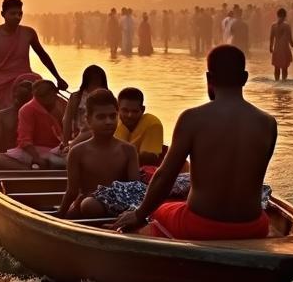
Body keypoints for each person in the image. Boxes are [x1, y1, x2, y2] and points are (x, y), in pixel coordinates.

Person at [113, 45, 275, 241]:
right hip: (254, 227)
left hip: (201, 225)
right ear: (245, 78)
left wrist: (139, 215)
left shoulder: (192, 119)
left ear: (209, 79)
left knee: (159, 211)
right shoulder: (268, 123)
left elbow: (165, 176)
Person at [58, 89, 140, 219]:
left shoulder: (128, 150)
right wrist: (59, 215)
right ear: (88, 120)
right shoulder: (77, 152)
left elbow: (134, 189)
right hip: (88, 209)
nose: (108, 121)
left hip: (120, 209)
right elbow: (72, 191)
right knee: (88, 205)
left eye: (113, 116)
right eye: (101, 117)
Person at [0, 0, 68, 110]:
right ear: (3, 14)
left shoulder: (29, 33)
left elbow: (43, 56)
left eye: (20, 14)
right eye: (13, 14)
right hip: (1, 80)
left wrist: (58, 78)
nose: (17, 17)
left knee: (42, 88)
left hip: (26, 78)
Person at [6, 79, 67, 169]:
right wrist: (36, 158)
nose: (55, 98)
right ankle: (30, 170)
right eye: (53, 95)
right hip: (36, 151)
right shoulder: (27, 110)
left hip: (56, 151)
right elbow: (24, 141)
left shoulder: (58, 107)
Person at [0, 78, 36, 170]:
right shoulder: (45, 113)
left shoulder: (0, 116)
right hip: (38, 157)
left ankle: (30, 170)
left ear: (13, 96)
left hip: (20, 159)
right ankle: (32, 169)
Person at [115, 87, 164, 166]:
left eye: (135, 111)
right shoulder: (110, 121)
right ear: (117, 108)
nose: (129, 115)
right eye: (125, 110)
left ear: (143, 109)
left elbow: (150, 159)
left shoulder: (152, 123)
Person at [62, 64, 108, 145]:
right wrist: (65, 141)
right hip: (79, 135)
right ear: (86, 82)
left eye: (97, 81)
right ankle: (70, 145)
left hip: (101, 133)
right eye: (92, 81)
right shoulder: (76, 97)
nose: (95, 85)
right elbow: (67, 120)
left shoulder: (108, 96)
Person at [270, 8, 293, 81]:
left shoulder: (273, 25)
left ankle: (276, 82)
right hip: (284, 48)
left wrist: (270, 47)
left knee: (276, 67)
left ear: (277, 15)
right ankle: (284, 82)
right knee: (284, 67)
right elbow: (290, 37)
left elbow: (271, 38)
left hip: (277, 48)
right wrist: (292, 44)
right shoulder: (287, 26)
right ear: (285, 16)